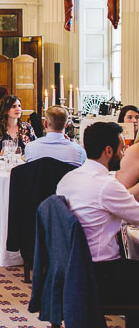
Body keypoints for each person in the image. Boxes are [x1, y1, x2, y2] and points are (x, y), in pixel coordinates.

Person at [56, 122, 139, 305]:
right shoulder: (106, 185)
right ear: (109, 151)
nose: (124, 154)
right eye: (122, 149)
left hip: (72, 269)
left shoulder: (69, 178)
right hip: (100, 275)